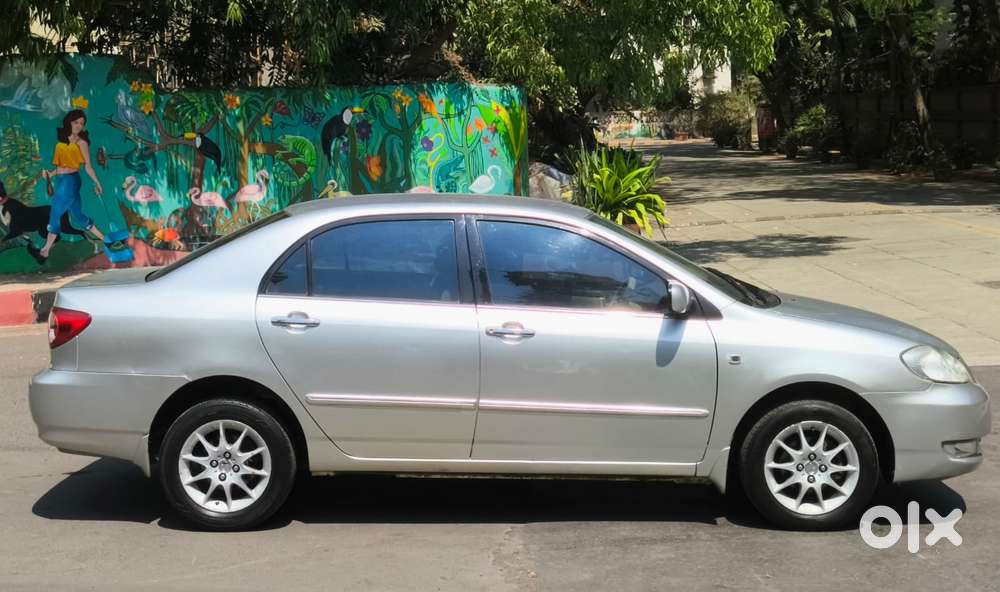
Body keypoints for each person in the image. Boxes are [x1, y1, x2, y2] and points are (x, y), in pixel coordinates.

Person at [39, 109, 106, 259]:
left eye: (82, 123)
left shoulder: (82, 143)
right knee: (78, 216)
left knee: (56, 208)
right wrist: (50, 174)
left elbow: (88, 166)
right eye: (76, 122)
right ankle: (105, 239)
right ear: (69, 122)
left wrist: (97, 183)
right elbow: (60, 167)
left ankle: (46, 248)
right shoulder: (61, 143)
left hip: (71, 180)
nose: (78, 126)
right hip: (62, 180)